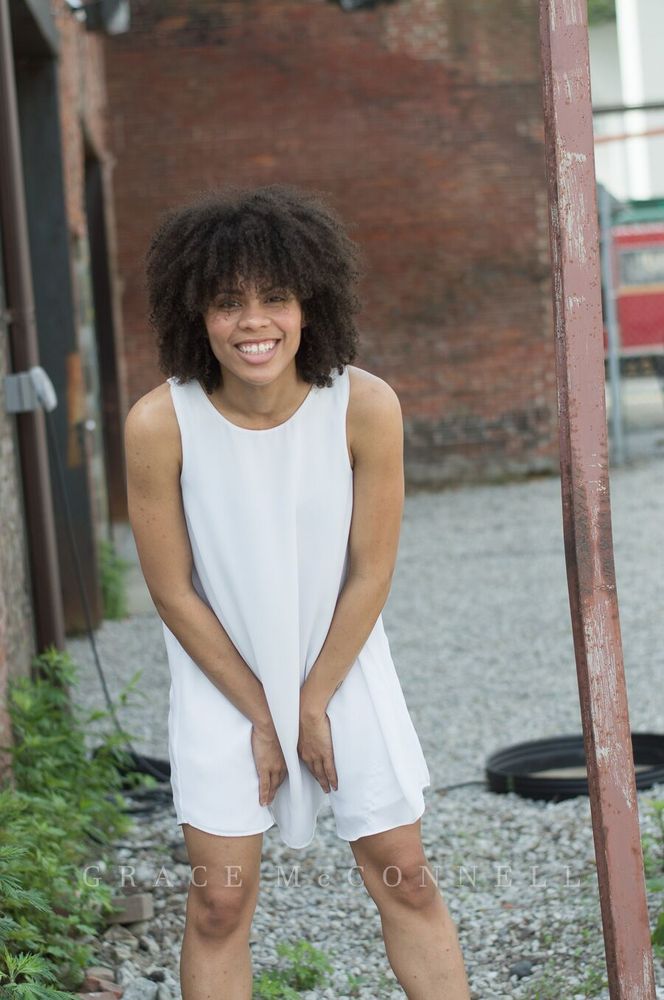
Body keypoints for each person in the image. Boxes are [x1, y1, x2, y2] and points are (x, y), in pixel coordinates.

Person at [124, 183, 470, 999]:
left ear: (310, 303)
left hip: (341, 670)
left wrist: (311, 702)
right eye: (227, 303)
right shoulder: (160, 424)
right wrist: (262, 713)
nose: (254, 324)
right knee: (218, 904)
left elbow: (371, 571)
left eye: (275, 298)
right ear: (195, 313)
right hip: (222, 684)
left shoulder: (364, 406)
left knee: (405, 877)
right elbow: (173, 592)